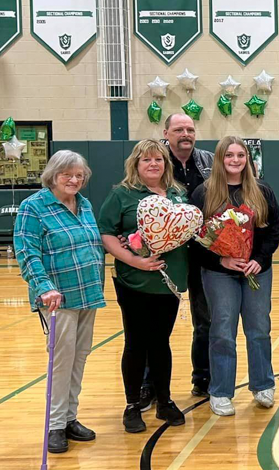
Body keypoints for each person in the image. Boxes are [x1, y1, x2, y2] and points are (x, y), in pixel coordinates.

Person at [14, 151, 105, 453]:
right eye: (68, 174)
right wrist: (43, 287)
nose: (74, 180)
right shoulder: (34, 207)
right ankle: (55, 426)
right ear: (53, 174)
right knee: (62, 361)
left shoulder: (85, 204)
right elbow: (27, 252)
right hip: (58, 298)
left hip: (88, 293)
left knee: (79, 358)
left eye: (79, 175)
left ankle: (70, 418)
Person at [98, 139, 188, 432]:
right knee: (136, 343)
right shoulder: (122, 195)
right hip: (133, 281)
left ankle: (164, 401)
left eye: (159, 159)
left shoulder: (178, 194)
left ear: (166, 164)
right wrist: (135, 260)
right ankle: (132, 404)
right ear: (135, 164)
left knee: (161, 343)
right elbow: (107, 235)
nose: (153, 164)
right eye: (146, 160)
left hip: (169, 283)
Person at [190, 137, 279, 416]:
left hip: (256, 271)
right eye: (229, 155)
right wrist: (222, 259)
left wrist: (259, 259)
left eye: (240, 155)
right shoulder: (203, 193)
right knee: (222, 331)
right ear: (220, 159)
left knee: (258, 329)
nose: (235, 160)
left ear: (247, 159)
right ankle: (220, 391)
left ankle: (263, 385)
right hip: (220, 273)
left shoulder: (262, 190)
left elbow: (274, 229)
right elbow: (194, 239)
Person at [161, 113, 214, 400]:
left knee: (205, 321)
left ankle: (202, 379)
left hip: (204, 254)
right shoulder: (155, 159)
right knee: (157, 325)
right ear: (166, 132)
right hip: (167, 255)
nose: (185, 134)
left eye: (190, 129)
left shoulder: (208, 160)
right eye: (179, 129)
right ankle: (150, 386)